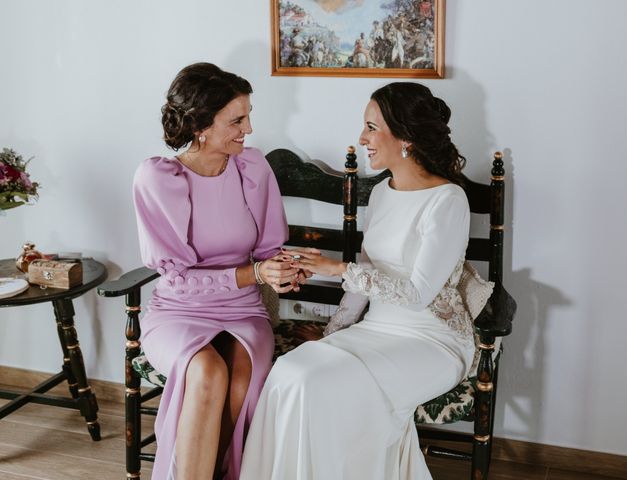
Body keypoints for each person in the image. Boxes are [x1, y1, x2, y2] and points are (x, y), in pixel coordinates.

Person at [240, 82, 478, 480]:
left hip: (430, 340)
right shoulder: (383, 192)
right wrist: (333, 332)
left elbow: (418, 294)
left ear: (405, 136)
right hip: (374, 331)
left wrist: (335, 268)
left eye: (371, 127)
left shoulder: (448, 201)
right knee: (289, 373)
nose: (362, 138)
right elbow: (366, 275)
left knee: (321, 386)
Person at [132, 62, 302, 480]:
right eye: (237, 120)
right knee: (207, 372)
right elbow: (177, 278)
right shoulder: (158, 178)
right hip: (178, 311)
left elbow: (268, 251)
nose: (247, 129)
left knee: (240, 386)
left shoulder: (253, 167)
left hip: (244, 311)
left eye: (247, 116)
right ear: (200, 125)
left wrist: (286, 270)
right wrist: (256, 274)